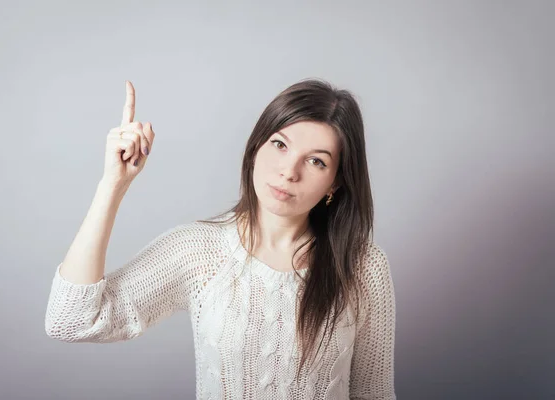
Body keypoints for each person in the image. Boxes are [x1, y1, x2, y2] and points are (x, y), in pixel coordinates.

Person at [45, 79, 396, 399]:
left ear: (335, 182)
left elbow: (374, 395)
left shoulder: (362, 266)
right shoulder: (201, 252)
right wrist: (112, 185)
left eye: (317, 161)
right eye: (279, 144)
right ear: (256, 146)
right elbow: (70, 320)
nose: (289, 171)